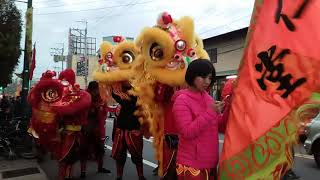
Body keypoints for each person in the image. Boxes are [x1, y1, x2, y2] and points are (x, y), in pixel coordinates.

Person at [172, 59, 231, 180]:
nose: (207, 82)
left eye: (209, 78)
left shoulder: (208, 98)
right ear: (192, 75)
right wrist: (211, 112)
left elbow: (219, 126)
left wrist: (228, 107)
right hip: (191, 164)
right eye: (202, 77)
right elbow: (187, 132)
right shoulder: (181, 100)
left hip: (211, 162)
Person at [111, 81, 146, 180]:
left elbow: (126, 101)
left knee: (137, 155)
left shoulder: (137, 91)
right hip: (122, 128)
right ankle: (119, 176)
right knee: (120, 155)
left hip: (133, 128)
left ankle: (141, 176)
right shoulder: (119, 91)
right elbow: (115, 95)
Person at [80, 81, 111, 178]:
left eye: (98, 90)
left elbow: (105, 111)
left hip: (97, 129)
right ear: (91, 89)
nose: (97, 92)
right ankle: (83, 171)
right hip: (86, 128)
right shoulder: (84, 98)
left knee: (100, 150)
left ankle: (100, 168)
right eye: (96, 90)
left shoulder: (101, 98)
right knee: (84, 151)